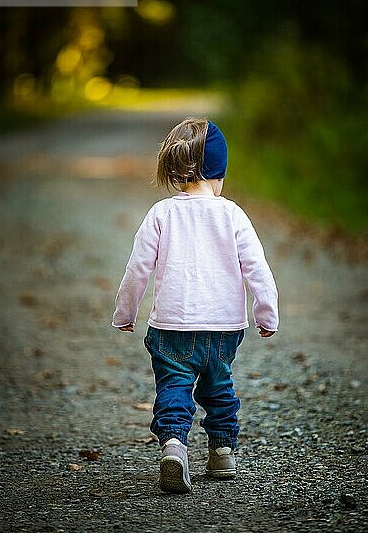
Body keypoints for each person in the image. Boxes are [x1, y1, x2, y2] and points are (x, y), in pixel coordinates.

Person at [111, 117, 279, 493]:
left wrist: (126, 312)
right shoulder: (232, 213)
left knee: (174, 384)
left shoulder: (161, 213)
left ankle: (174, 446)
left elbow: (138, 267)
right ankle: (222, 453)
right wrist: (266, 312)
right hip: (224, 327)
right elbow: (256, 268)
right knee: (219, 387)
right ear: (218, 172)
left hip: (172, 324)